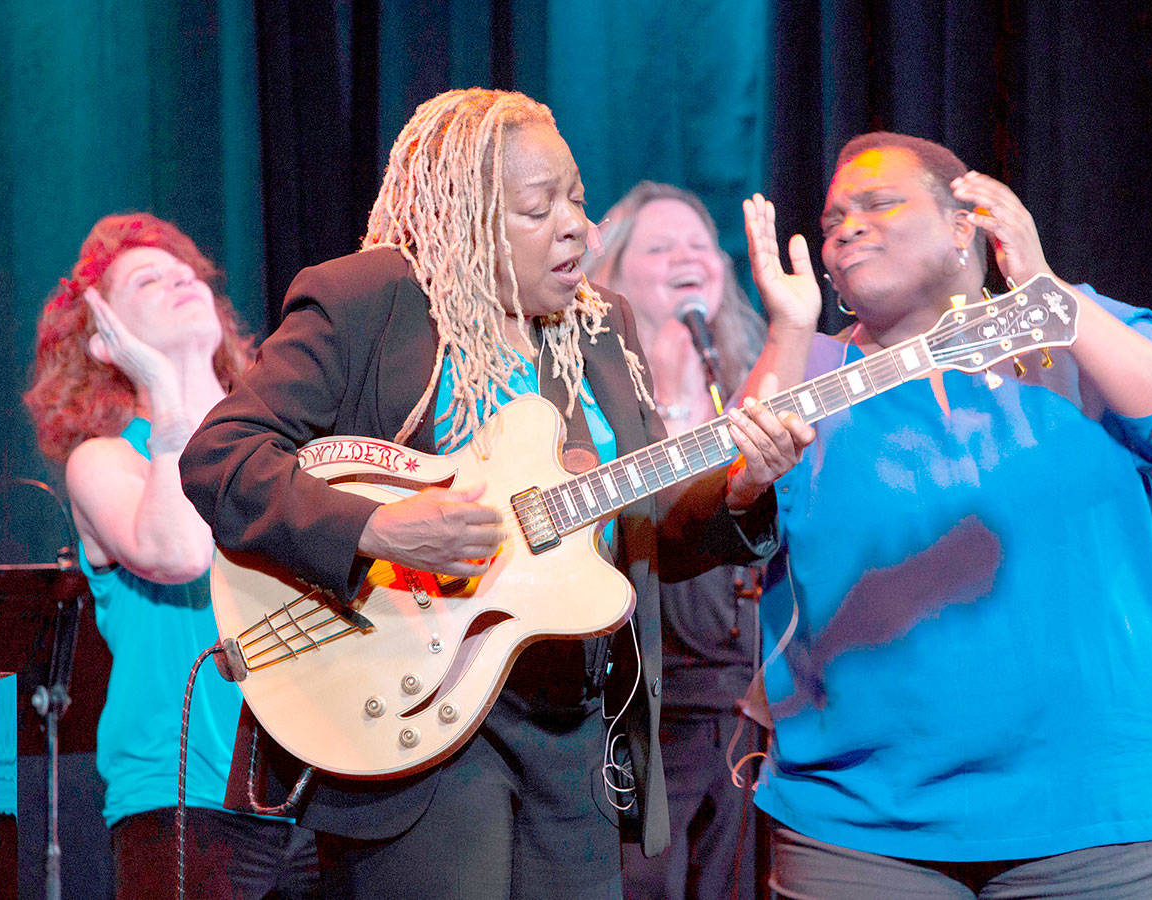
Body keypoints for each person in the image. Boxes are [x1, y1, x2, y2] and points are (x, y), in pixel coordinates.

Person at [177, 88, 813, 899]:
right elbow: (220, 457)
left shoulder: (601, 326)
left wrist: (739, 490)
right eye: (538, 207)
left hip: (577, 734)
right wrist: (378, 528)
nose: (574, 225)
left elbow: (641, 533)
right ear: (465, 216)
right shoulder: (371, 300)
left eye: (578, 200)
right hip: (417, 726)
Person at [740, 132, 1152, 898]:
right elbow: (722, 502)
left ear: (966, 224)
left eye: (879, 203)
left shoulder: (1071, 334)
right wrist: (786, 334)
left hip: (1091, 817)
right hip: (862, 824)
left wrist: (1046, 293)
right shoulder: (810, 371)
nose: (845, 228)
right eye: (834, 219)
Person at [23, 213, 320, 898]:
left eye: (184, 271)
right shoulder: (106, 461)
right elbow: (182, 548)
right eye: (147, 280)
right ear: (103, 341)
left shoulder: (285, 443)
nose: (181, 278)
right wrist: (162, 385)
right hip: (185, 801)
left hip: (319, 783)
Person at [589, 181, 766, 900]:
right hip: (643, 708)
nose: (687, 258)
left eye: (700, 245)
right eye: (660, 247)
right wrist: (660, 389)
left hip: (744, 715)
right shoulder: (584, 391)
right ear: (611, 274)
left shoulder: (755, 374)